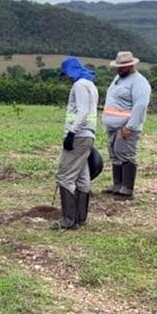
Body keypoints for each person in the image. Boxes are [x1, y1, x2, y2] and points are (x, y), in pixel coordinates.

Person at [51, 57, 99, 230]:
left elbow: (82, 111)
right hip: (89, 135)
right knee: (82, 177)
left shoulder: (79, 85)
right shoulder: (91, 85)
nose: (67, 78)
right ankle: (80, 217)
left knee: (65, 176)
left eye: (67, 74)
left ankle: (68, 220)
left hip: (78, 135)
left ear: (71, 71)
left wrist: (71, 133)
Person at [101, 51, 151, 199]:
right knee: (115, 155)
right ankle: (117, 186)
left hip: (126, 127)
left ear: (131, 66)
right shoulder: (119, 78)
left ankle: (127, 190)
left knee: (126, 155)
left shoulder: (139, 82)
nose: (119, 69)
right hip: (113, 126)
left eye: (123, 67)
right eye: (118, 67)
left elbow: (140, 106)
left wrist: (131, 126)